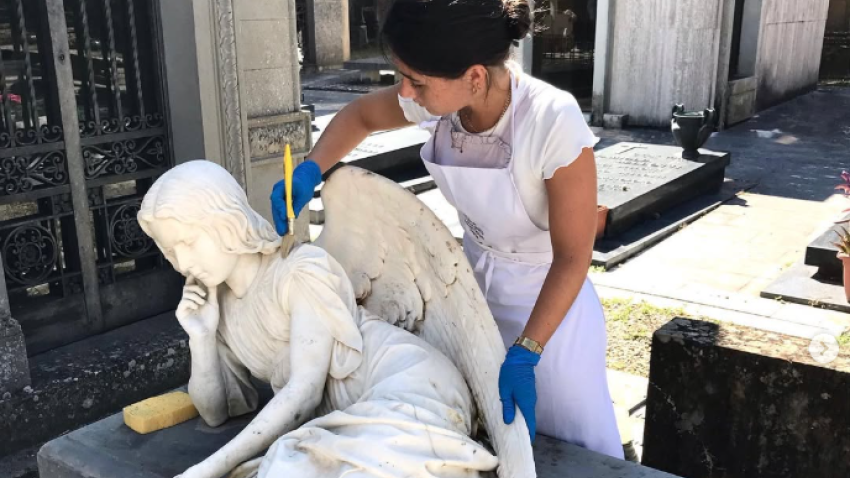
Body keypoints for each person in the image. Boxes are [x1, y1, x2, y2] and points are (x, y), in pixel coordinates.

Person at [270, 0, 624, 459]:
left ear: (475, 77)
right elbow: (360, 117)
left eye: (416, 81)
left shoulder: (552, 120)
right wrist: (312, 168)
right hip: (470, 298)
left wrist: (527, 351)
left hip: (549, 318)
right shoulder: (442, 103)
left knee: (568, 454)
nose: (407, 92)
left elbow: (573, 258)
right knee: (478, 442)